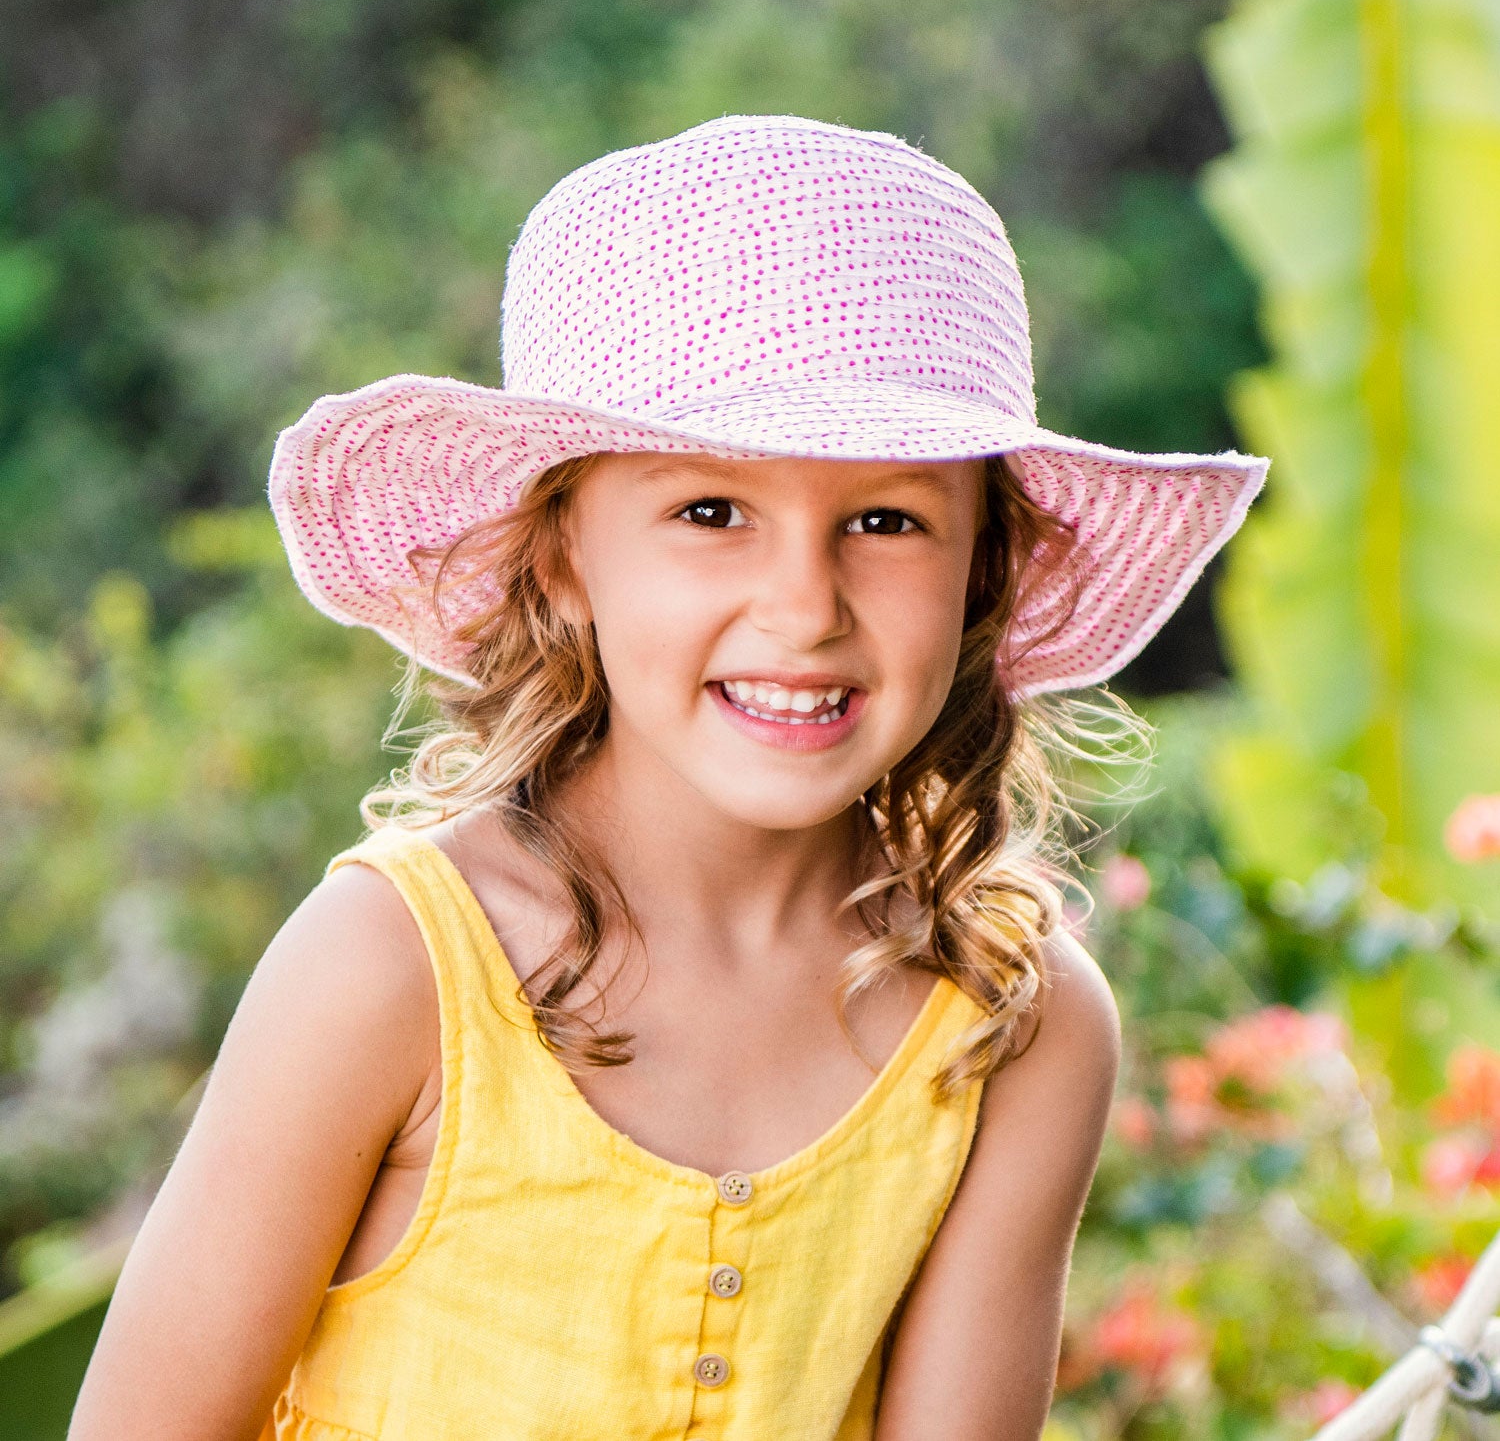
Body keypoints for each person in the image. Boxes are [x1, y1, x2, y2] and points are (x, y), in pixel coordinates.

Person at [70, 113, 1268, 1441]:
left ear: (984, 567)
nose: (803, 607)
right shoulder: (389, 970)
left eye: (888, 520)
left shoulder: (1010, 1031)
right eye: (710, 513)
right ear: (563, 557)